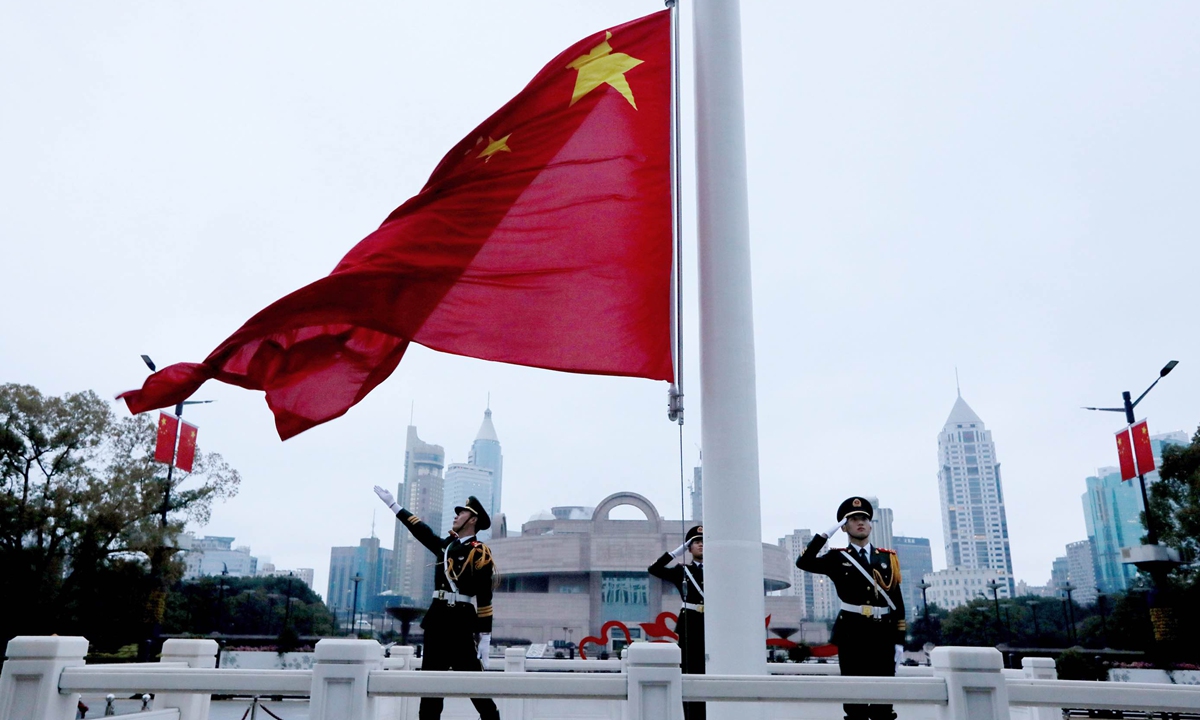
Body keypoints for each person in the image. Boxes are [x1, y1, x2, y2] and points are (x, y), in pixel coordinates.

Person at [374, 485, 500, 720]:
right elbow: (421, 530)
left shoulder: (479, 552)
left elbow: (484, 597)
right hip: (436, 622)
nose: (456, 515)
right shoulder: (446, 547)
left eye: (461, 512)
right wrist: (394, 505)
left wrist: (485, 636)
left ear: (472, 519)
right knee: (430, 690)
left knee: (477, 688)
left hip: (461, 624)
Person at [796, 497, 905, 720]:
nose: (860, 523)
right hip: (851, 632)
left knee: (884, 700)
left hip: (882, 632)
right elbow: (804, 562)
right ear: (845, 526)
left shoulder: (886, 558)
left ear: (871, 524)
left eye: (864, 518)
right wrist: (825, 534)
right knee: (854, 698)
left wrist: (900, 640)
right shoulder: (837, 558)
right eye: (854, 519)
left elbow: (897, 601)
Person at [648, 524, 706, 720]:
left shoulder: (718, 570)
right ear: (689, 548)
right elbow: (654, 569)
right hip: (690, 625)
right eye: (696, 542)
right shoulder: (682, 571)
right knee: (689, 672)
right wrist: (676, 552)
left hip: (713, 626)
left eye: (704, 542)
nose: (701, 545)